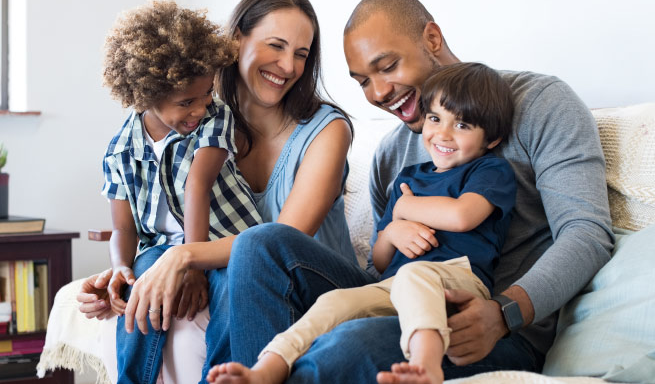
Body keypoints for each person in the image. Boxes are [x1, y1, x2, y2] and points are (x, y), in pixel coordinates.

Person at [221, 0, 615, 382]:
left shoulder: (540, 104)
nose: (378, 94)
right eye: (363, 82)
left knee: (346, 346)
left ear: (431, 39)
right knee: (259, 244)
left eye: (388, 66)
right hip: (400, 298)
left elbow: (587, 234)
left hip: (488, 326)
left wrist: (504, 313)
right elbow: (383, 266)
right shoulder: (392, 154)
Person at [77, 0, 357, 383]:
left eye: (301, 54)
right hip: (237, 269)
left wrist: (185, 256)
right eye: (276, 46)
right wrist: (124, 274)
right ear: (237, 39)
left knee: (251, 254)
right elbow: (151, 217)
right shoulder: (198, 118)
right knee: (154, 273)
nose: (289, 66)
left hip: (313, 283)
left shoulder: (326, 131)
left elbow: (282, 241)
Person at [207, 62, 517, 384]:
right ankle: (267, 368)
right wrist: (394, 229)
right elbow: (381, 261)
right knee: (335, 302)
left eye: (462, 125)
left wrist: (406, 207)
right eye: (435, 118)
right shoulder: (408, 178)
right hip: (393, 285)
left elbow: (462, 215)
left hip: (458, 281)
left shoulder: (489, 171)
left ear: (491, 138)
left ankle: (427, 366)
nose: (443, 134)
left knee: (415, 274)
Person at [99, 0, 264, 384]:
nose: (200, 107)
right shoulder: (120, 150)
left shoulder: (214, 116)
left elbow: (197, 185)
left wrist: (192, 263)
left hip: (227, 241)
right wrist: (122, 266)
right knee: (142, 285)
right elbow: (124, 228)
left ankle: (222, 377)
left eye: (206, 93)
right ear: (145, 95)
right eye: (186, 102)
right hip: (160, 249)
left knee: (230, 291)